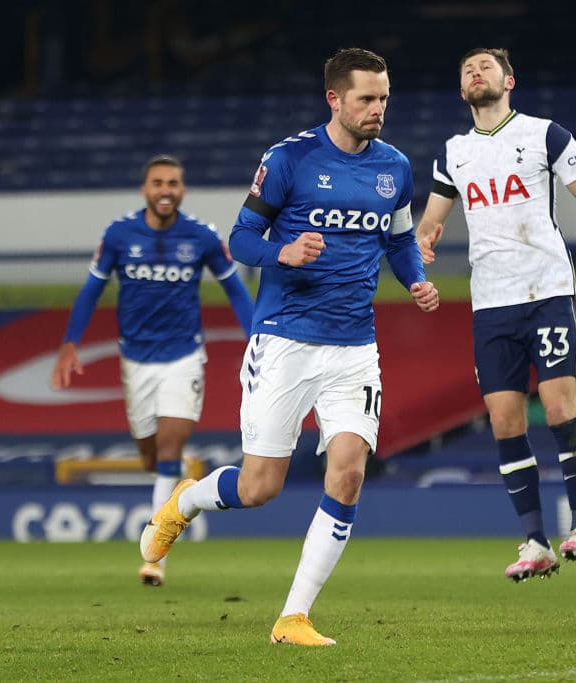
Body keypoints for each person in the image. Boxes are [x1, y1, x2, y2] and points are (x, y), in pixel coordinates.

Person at [139, 48, 439, 647]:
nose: (378, 108)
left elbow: (400, 240)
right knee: (260, 488)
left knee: (348, 472)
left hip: (354, 346)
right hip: (284, 341)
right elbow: (240, 239)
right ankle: (186, 501)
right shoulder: (289, 159)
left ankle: (293, 616)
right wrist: (283, 252)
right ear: (334, 99)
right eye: (366, 99)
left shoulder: (397, 167)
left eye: (383, 97)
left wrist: (416, 280)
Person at [416, 48, 576, 582]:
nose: (474, 72)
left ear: (508, 80)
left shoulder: (545, 134)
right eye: (466, 68)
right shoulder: (453, 153)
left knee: (559, 410)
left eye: (485, 66)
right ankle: (535, 541)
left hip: (547, 292)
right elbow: (430, 223)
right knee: (505, 422)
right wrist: (421, 244)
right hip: (491, 304)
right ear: (461, 89)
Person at [50, 154, 254, 588]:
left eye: (174, 183)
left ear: (183, 189)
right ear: (145, 189)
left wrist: (259, 339)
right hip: (135, 361)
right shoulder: (120, 234)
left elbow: (235, 289)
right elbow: (92, 289)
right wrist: (71, 342)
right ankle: (173, 495)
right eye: (158, 182)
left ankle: (154, 557)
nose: (166, 190)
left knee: (169, 449)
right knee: (150, 455)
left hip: (184, 357)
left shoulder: (201, 236)